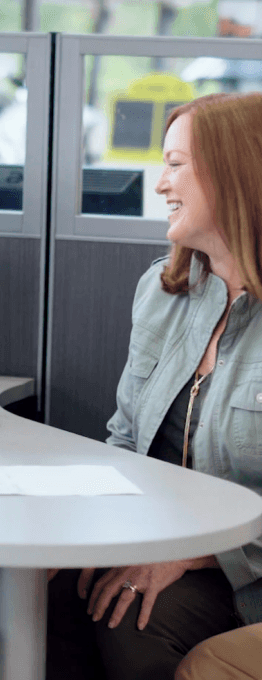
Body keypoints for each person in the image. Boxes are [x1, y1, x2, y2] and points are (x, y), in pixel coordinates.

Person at [46, 91, 262, 680]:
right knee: (46, 589)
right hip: (156, 538)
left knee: (132, 622)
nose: (161, 185)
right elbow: (124, 438)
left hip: (245, 571)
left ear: (236, 172)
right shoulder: (163, 293)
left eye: (175, 164)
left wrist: (196, 554)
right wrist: (87, 537)